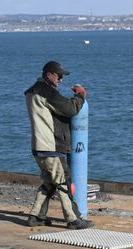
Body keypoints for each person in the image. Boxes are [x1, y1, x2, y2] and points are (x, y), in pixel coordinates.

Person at [24, 60, 94, 230]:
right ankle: (73, 220)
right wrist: (80, 96)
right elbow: (70, 109)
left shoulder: (32, 92)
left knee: (49, 183)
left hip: (38, 146)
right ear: (49, 74)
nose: (61, 79)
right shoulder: (47, 92)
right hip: (52, 146)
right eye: (59, 76)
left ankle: (35, 217)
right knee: (64, 182)